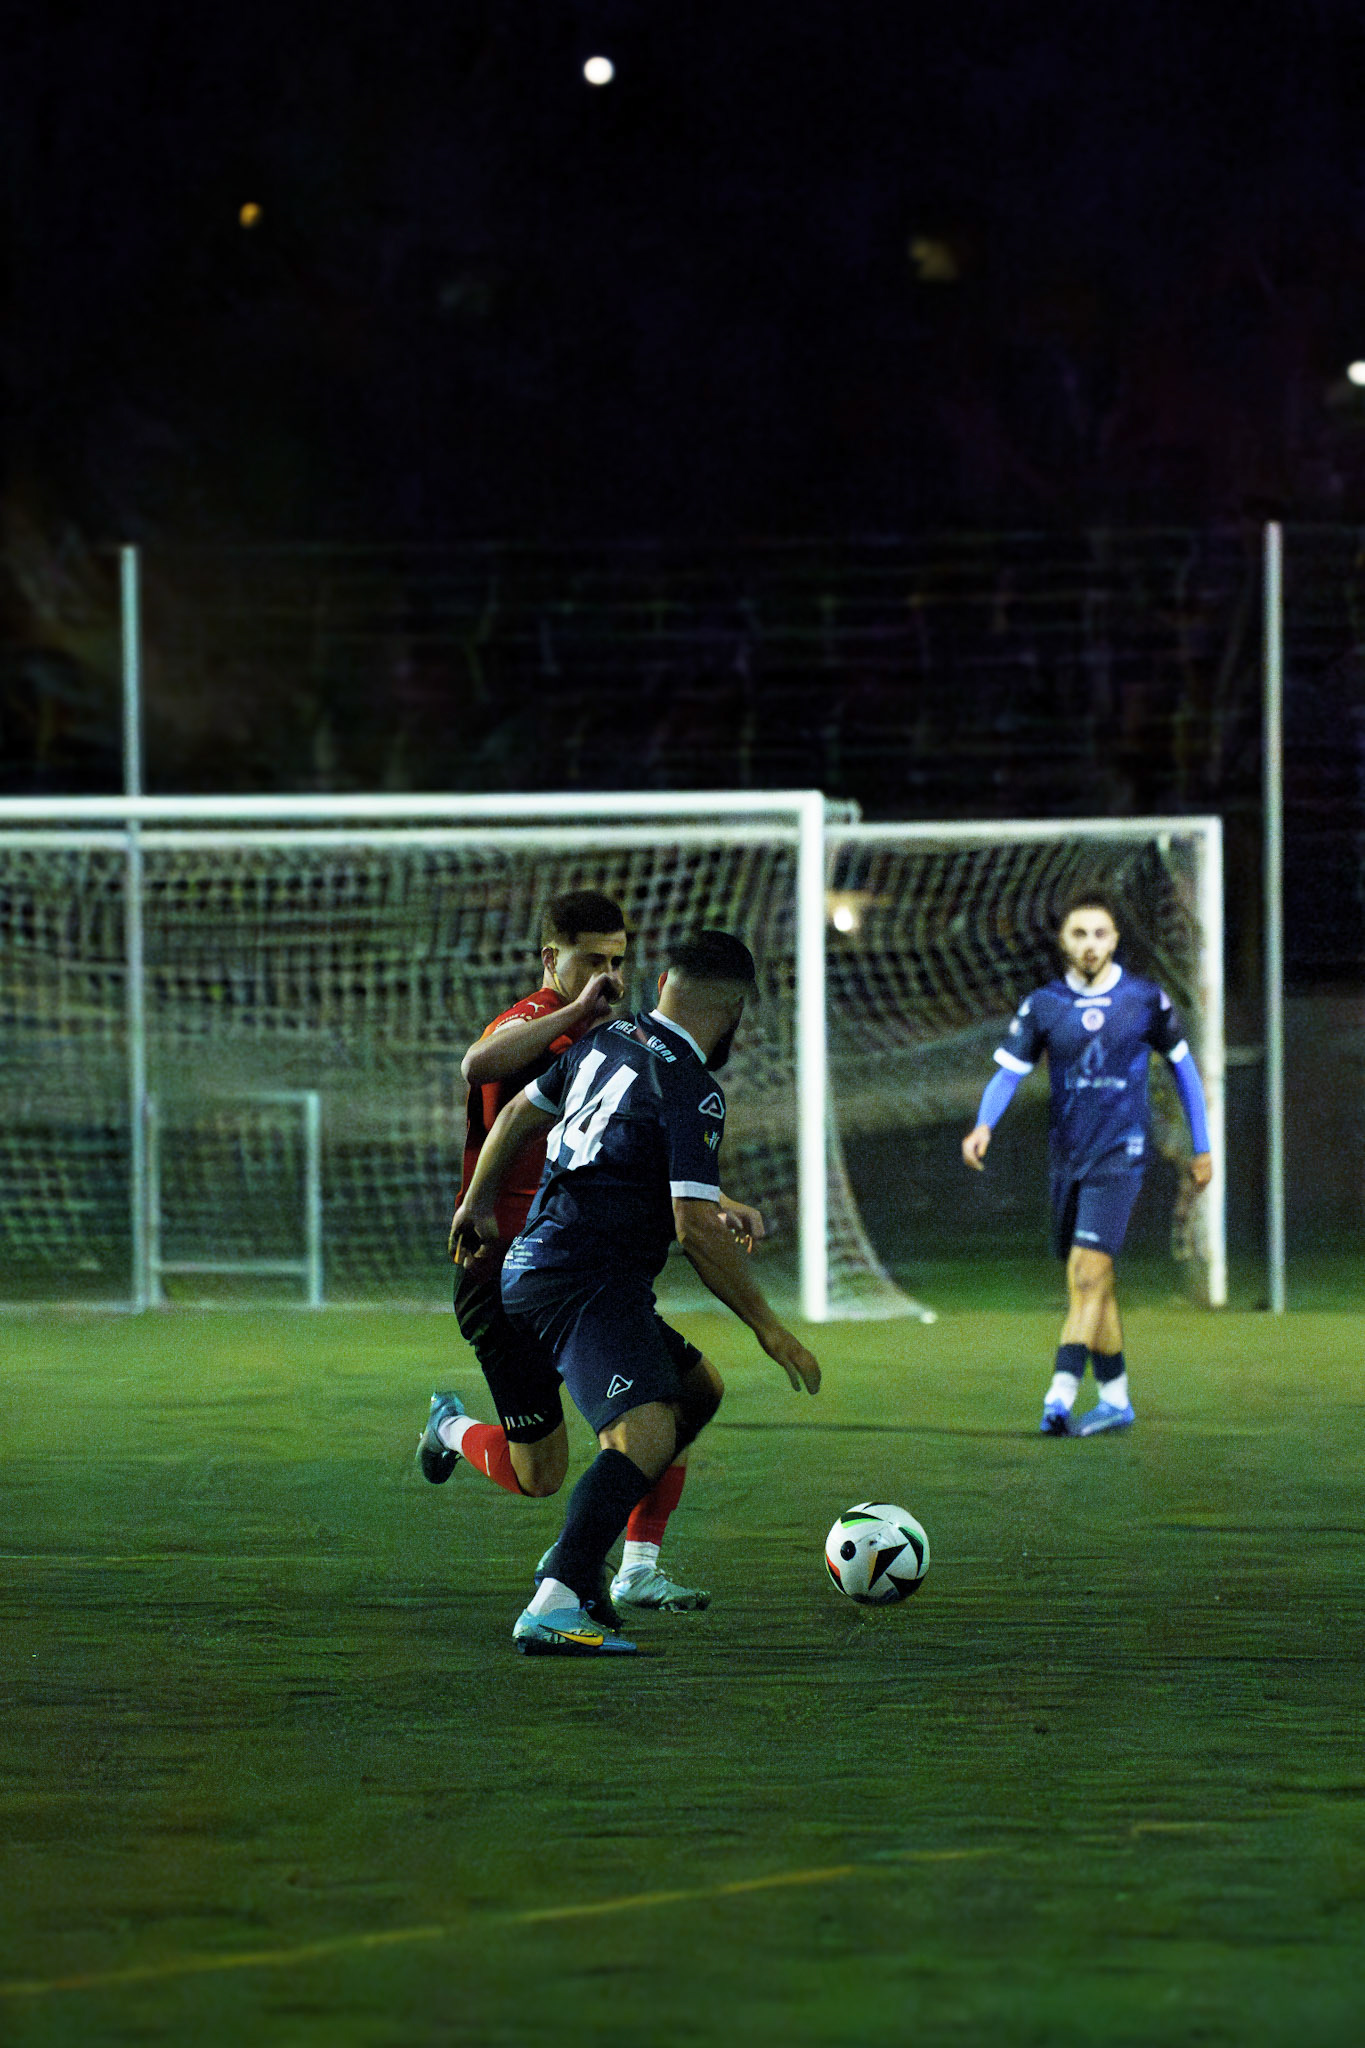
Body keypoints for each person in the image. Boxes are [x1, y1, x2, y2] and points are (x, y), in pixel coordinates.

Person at [449, 928, 821, 1655]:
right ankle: (556, 1597)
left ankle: (614, 1574)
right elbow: (693, 1229)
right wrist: (769, 1328)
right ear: (736, 1010)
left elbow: (522, 1111)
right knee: (642, 1432)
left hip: (554, 1268)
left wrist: (478, 1202)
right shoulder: (692, 1088)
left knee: (696, 1390)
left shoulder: (605, 1040)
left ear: (660, 988)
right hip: (580, 1280)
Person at [416, 888, 756, 1615]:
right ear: (551, 959)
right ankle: (449, 1427)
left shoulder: (618, 1041)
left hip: (570, 1267)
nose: (609, 974)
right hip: (499, 1268)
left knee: (672, 1395)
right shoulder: (542, 1019)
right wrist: (576, 1012)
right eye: (592, 960)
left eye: (619, 960)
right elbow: (478, 1067)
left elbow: (621, 1150)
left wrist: (713, 1202)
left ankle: (632, 1566)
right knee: (539, 1474)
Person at [961, 894, 1212, 1437]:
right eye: (1079, 933)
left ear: (1115, 939)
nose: (1090, 943)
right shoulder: (1044, 1005)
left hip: (1120, 1155)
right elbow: (1008, 1073)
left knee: (1085, 1272)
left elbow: (1186, 1073)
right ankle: (1117, 1399)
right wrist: (984, 1124)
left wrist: (1202, 1146)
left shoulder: (1145, 999)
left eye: (1100, 933)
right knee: (1095, 1283)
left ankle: (1060, 1394)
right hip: (1068, 1159)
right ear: (1064, 942)